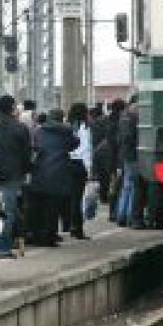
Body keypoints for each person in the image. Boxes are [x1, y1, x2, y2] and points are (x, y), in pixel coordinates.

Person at [0, 95, 31, 259]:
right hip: (13, 174)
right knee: (8, 211)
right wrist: (26, 171)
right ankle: (3, 247)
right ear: (13, 108)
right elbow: (27, 153)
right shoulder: (20, 128)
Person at [26, 109, 78, 247]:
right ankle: (49, 237)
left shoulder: (38, 131)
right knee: (53, 208)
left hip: (40, 172)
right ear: (62, 118)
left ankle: (37, 236)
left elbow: (34, 147)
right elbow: (75, 144)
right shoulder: (66, 131)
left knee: (39, 207)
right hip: (58, 173)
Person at [65, 102, 93, 240]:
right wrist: (88, 167)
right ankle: (77, 228)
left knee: (72, 199)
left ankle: (72, 226)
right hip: (79, 164)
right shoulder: (82, 127)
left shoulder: (68, 125)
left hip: (67, 164)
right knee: (78, 199)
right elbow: (84, 148)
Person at [115, 95, 141, 227]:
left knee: (126, 187)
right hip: (134, 156)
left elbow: (120, 138)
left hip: (125, 155)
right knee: (134, 187)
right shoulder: (135, 118)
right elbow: (134, 138)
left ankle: (121, 215)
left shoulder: (123, 117)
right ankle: (130, 216)